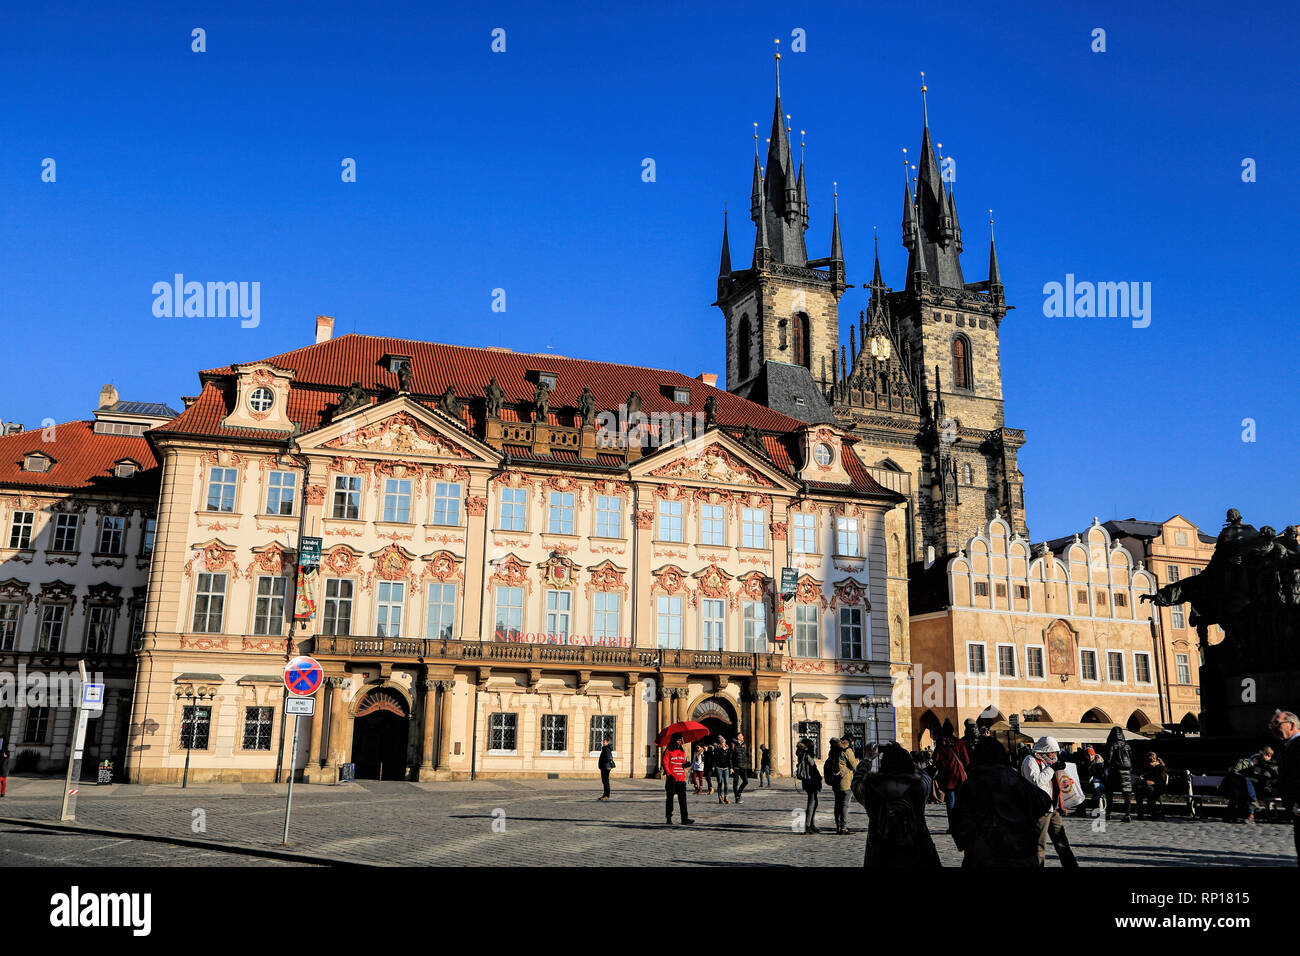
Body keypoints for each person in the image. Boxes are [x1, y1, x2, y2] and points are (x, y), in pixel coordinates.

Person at [951, 737, 1049, 867]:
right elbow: (1044, 802)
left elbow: (959, 824)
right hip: (1021, 853)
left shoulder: (973, 783)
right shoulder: (1015, 778)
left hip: (987, 855)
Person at [851, 742, 941, 867]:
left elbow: (856, 782)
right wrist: (907, 759)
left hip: (881, 855)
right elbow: (926, 776)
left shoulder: (872, 790)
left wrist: (867, 759)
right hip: (918, 853)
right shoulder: (918, 788)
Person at [1020, 735, 1079, 868]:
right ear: (1044, 751)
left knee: (1063, 844)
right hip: (1039, 810)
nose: (1054, 755)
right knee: (1039, 846)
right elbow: (1036, 782)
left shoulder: (1050, 762)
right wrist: (1052, 769)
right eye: (1052, 752)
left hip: (1053, 809)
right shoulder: (1031, 760)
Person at [1269, 709, 1300, 862]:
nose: (1273, 727)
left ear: (1291, 725)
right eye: (1271, 724)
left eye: (1277, 723)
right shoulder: (1287, 745)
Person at [933, 727, 971, 830]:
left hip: (947, 777)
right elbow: (966, 760)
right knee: (961, 801)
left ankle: (952, 826)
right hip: (959, 776)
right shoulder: (959, 743)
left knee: (951, 803)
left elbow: (935, 759)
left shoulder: (941, 744)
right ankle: (961, 824)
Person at [1224, 747, 1273, 823]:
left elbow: (1265, 777)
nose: (1258, 761)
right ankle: (1249, 813)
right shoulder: (1244, 762)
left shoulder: (1265, 765)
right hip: (1241, 786)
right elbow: (1235, 774)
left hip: (1257, 788)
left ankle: (1247, 814)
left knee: (1245, 791)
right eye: (1257, 759)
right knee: (1241, 791)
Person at [662, 734, 693, 825]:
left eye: (680, 740)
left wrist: (686, 764)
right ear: (673, 740)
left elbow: (682, 763)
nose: (679, 742)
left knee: (683, 800)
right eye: (678, 740)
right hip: (672, 779)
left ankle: (684, 818)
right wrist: (669, 774)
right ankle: (669, 818)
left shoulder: (682, 751)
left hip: (681, 779)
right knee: (670, 800)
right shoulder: (668, 751)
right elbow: (665, 763)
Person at [1104, 726, 1134, 822]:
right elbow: (1131, 757)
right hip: (1127, 771)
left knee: (1109, 792)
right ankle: (1127, 814)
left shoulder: (1113, 745)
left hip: (1115, 770)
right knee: (1127, 793)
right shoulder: (1127, 745)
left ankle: (1108, 813)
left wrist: (1106, 768)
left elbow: (1109, 758)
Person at [830, 736, 859, 834]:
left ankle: (838, 827)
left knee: (837, 804)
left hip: (835, 780)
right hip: (845, 781)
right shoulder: (847, 750)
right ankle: (843, 828)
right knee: (844, 805)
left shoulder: (834, 750)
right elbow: (854, 766)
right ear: (850, 742)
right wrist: (858, 760)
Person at [794, 739, 822, 833]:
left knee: (815, 802)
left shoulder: (801, 753)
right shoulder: (806, 754)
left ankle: (811, 824)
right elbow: (812, 765)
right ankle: (808, 825)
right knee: (811, 802)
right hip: (810, 780)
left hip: (807, 780)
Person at [1135, 751, 1168, 819]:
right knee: (1138, 790)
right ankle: (1140, 813)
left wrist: (1153, 782)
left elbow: (1162, 779)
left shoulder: (1160, 767)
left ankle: (1152, 812)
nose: (1151, 760)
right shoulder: (1146, 766)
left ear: (1155, 758)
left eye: (1153, 758)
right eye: (1150, 758)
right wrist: (1142, 779)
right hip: (1145, 784)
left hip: (1157, 786)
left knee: (1149, 790)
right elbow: (1143, 775)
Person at [731, 733, 750, 804]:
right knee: (735, 783)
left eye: (742, 736)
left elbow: (746, 754)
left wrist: (747, 762)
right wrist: (731, 767)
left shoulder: (744, 745)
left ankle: (738, 793)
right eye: (741, 736)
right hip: (736, 767)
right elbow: (731, 757)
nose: (743, 737)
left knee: (746, 781)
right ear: (738, 737)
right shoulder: (733, 745)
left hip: (743, 766)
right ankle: (737, 798)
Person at [713, 737, 731, 803]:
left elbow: (730, 759)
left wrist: (731, 768)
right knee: (720, 783)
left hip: (726, 768)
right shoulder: (717, 749)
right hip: (719, 768)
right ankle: (720, 797)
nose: (723, 743)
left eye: (724, 742)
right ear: (720, 743)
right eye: (722, 742)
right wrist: (721, 749)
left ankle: (726, 796)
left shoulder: (728, 749)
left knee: (726, 783)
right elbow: (715, 758)